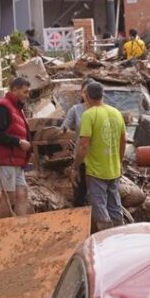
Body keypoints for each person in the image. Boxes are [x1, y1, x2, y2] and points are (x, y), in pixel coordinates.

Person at [73, 82, 126, 231]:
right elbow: (123, 141)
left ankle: (106, 239)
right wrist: (119, 162)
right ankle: (120, 236)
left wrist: (75, 167)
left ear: (87, 96)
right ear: (102, 95)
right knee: (115, 206)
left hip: (96, 170)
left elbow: (83, 146)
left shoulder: (89, 115)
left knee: (99, 207)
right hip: (113, 169)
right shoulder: (116, 112)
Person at [0, 77, 33, 218]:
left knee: (22, 193)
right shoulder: (3, 107)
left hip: (15, 160)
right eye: (25, 92)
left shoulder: (16, 107)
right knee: (9, 197)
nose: (27, 95)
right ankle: (2, 230)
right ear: (15, 90)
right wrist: (19, 142)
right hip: (5, 160)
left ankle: (19, 230)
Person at [61, 78, 93, 207]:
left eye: (90, 92)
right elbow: (64, 127)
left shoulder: (104, 110)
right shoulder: (76, 109)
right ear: (81, 93)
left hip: (99, 157)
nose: (87, 95)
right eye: (85, 92)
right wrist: (64, 132)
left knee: (98, 194)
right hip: (82, 156)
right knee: (80, 192)